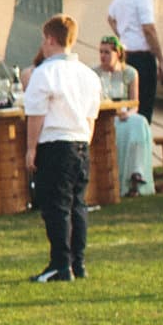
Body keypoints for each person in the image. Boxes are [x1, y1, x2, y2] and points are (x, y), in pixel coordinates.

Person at [23, 15, 102, 282]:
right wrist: (85, 141)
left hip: (55, 143)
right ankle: (77, 262)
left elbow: (36, 114)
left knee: (55, 206)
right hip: (80, 142)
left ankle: (60, 263)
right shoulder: (89, 75)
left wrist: (31, 149)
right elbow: (92, 115)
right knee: (77, 204)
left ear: (50, 39)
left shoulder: (44, 73)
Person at [106, 0, 163, 122]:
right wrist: (161, 58)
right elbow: (148, 28)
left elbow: (111, 17)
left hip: (126, 55)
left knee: (126, 107)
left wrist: (123, 35)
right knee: (143, 110)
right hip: (142, 56)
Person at [96, 37, 153, 196]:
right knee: (124, 127)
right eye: (101, 52)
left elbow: (135, 103)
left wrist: (127, 113)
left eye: (107, 52)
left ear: (118, 53)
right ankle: (125, 178)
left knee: (139, 122)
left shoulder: (130, 73)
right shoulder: (95, 73)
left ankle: (136, 174)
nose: (103, 56)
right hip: (106, 116)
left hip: (125, 115)